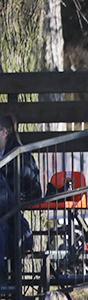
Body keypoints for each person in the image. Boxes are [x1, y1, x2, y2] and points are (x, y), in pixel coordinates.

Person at [0, 114, 41, 285]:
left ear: (4, 132)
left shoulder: (19, 156)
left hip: (13, 218)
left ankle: (3, 278)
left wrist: (18, 198)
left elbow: (35, 190)